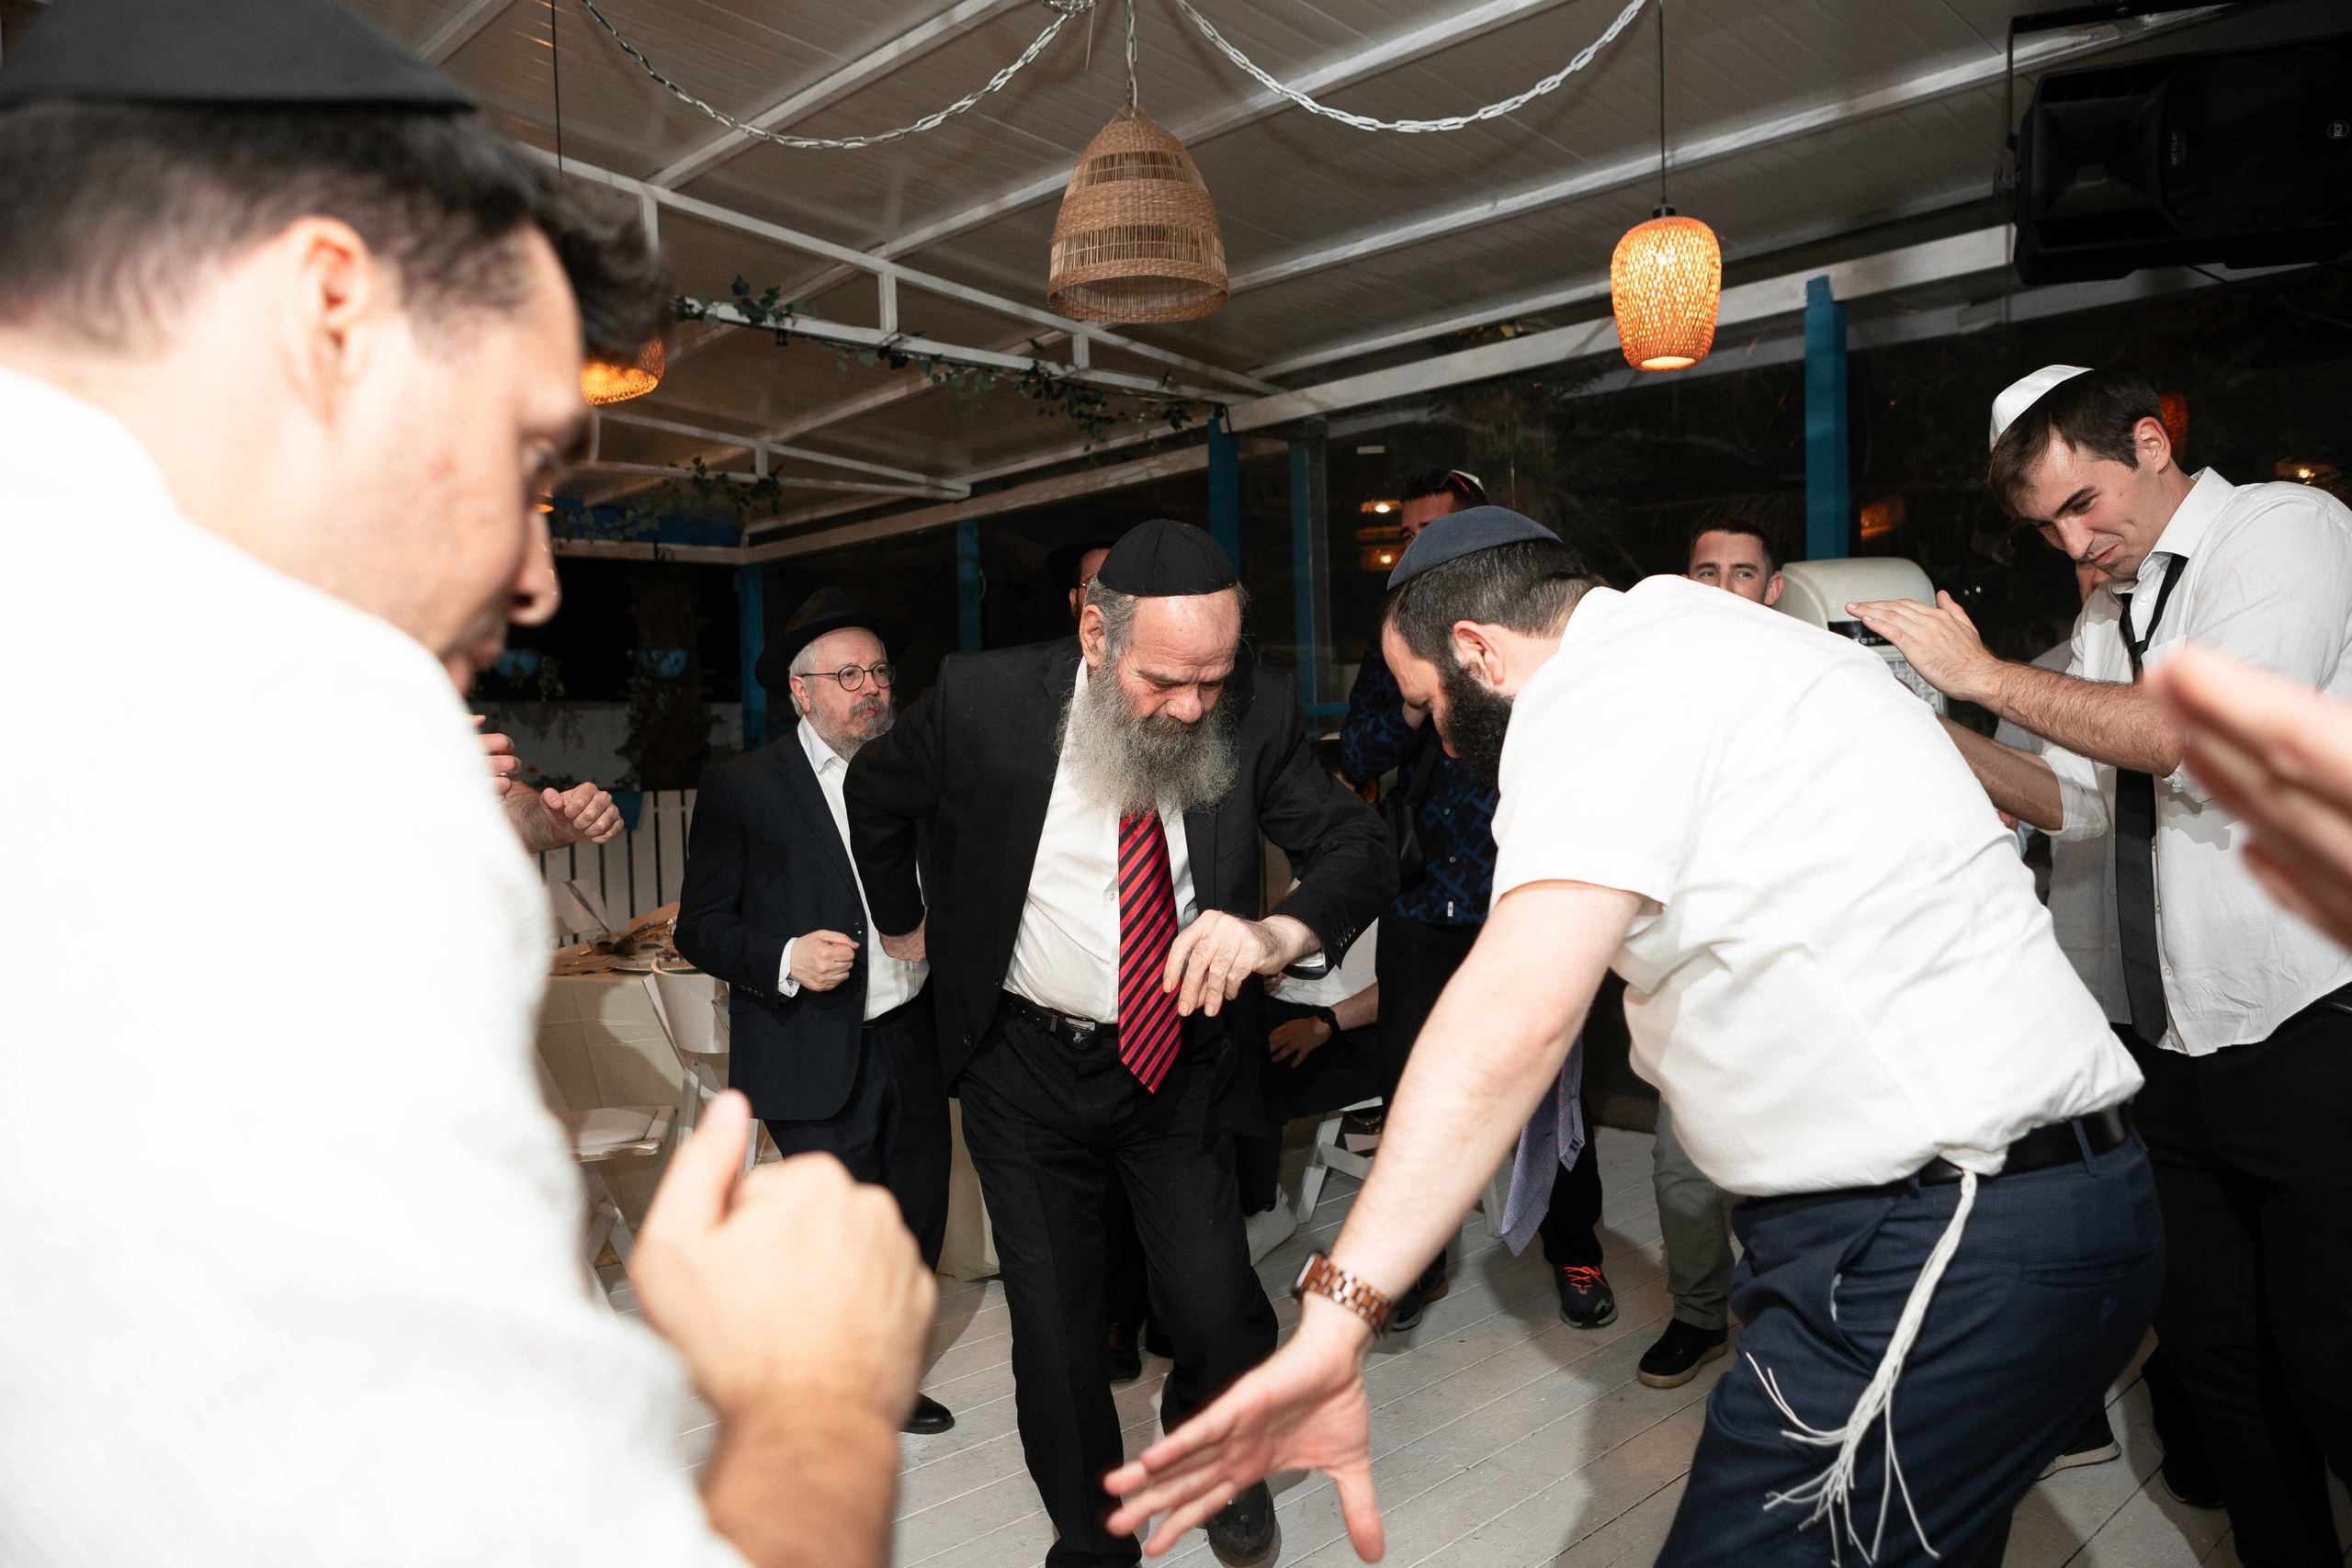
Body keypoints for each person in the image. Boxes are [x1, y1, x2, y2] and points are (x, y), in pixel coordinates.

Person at [0, 3, 932, 1563]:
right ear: (329, 308)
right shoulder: (287, 717)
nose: (537, 573)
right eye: (529, 455)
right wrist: (816, 1398)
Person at [1103, 508, 2156, 1568]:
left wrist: (1335, 1324)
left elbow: (1515, 1009)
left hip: (1933, 1235)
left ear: (1477, 651)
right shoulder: (1739, 643)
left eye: (1426, 704)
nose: (1430, 733)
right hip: (2042, 1207)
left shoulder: (1598, 693)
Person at [1851, 366, 2352, 1564]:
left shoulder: (2286, 532)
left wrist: (1980, 674)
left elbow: (2198, 740)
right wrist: (1926, 723)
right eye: (2049, 527)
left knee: (2335, 1366)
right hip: (2167, 1052)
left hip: (2309, 1027)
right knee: (2221, 1367)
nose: (2076, 542)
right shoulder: (2105, 612)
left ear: (2147, 441)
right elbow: (2072, 801)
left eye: (2084, 504)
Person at [846, 519, 1393, 1568]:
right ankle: (1092, 1544)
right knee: (1055, 1338)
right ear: (1096, 636)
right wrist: (901, 916)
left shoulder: (1255, 707)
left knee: (1216, 1313)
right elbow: (875, 797)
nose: (1193, 708)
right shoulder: (983, 701)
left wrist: (1276, 931)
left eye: (1213, 679)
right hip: (1020, 1065)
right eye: (1167, 681)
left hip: (1179, 1060)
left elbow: (1358, 844)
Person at [1340, 467, 1614, 1335]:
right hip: (1425, 899)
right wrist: (1420, 702)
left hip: (1525, 893)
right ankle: (1410, 1267)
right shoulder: (1401, 645)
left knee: (1553, 1085)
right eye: (1406, 532)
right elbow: (1360, 747)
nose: (1416, 545)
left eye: (1434, 529)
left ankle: (1574, 1245)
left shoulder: (1551, 652)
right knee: (1410, 1081)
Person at [675, 587, 955, 1437]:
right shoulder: (744, 786)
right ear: (801, 692)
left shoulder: (919, 772)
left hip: (914, 1036)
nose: (871, 687)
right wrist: (786, 957)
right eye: (847, 674)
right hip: (808, 1048)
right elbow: (700, 925)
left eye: (877, 670)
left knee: (914, 1221)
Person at [1616, 517, 1789, 1393]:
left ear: (1775, 587)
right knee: (1681, 1173)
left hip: (1792, 975)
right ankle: (1697, 1315)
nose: (1724, 587)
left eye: (1743, 572)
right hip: (1688, 974)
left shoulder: (1813, 686)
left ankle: (1787, 1331)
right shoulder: (1651, 694)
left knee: (1792, 1179)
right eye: (1705, 570)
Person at [1235, 739, 1389, 1252]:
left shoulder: (1399, 869)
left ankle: (1263, 1209)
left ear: (1368, 792)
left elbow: (1413, 988)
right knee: (1209, 1048)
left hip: (1355, 1029)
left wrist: (1324, 1023)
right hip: (1294, 1007)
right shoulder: (1316, 864)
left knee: (1249, 1075)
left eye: (1336, 795)